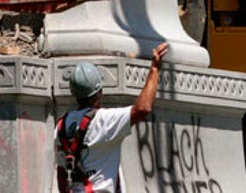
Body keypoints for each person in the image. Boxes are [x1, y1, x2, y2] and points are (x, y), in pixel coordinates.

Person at [55, 42, 169, 192]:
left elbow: (62, 174)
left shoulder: (61, 126)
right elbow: (143, 108)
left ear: (74, 94)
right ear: (100, 92)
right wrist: (155, 68)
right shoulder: (104, 121)